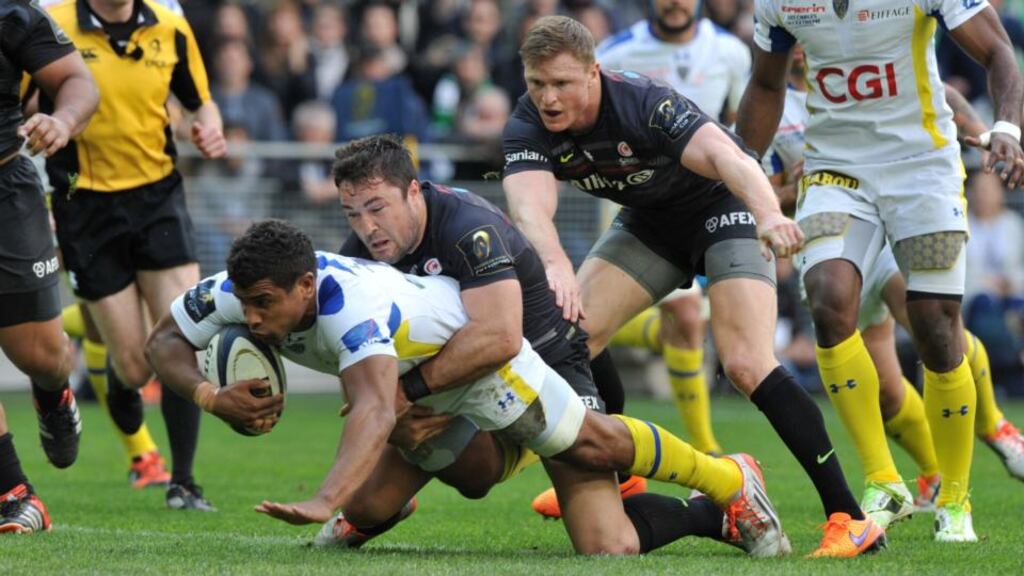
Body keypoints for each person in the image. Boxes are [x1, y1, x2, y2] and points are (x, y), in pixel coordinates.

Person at [145, 220, 790, 557]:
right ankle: (463, 470)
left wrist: (322, 498)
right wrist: (210, 397)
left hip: (477, 359)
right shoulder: (237, 291)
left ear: (306, 288)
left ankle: (730, 479)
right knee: (434, 491)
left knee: (592, 452)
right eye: (244, 305)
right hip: (417, 380)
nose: (251, 320)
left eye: (264, 305)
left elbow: (371, 407)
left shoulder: (352, 308)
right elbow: (162, 346)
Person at [501, 15, 883, 558]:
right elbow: (528, 204)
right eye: (537, 84)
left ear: (593, 73)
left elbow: (731, 159)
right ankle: (619, 473)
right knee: (569, 331)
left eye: (561, 83)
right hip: (651, 225)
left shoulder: (644, 102)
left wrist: (770, 215)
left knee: (747, 363)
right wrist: (556, 263)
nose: (548, 98)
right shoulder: (527, 122)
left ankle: (850, 517)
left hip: (719, 208)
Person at [738, 0, 1024, 544]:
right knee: (828, 299)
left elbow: (998, 51)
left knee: (938, 328)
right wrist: (741, 163)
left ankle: (956, 498)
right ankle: (883, 479)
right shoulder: (778, 4)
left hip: (923, 169)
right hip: (836, 170)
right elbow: (766, 85)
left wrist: (1006, 126)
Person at [335, 134, 645, 526]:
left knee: (607, 542)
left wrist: (402, 394)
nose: (367, 227)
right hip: (461, 378)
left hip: (549, 366)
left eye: (377, 208)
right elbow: (351, 357)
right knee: (364, 510)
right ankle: (528, 446)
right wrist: (386, 416)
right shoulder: (357, 257)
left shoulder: (468, 226)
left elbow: (501, 338)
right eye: (353, 214)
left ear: (413, 191)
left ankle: (715, 496)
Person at [43, 0, 227, 510]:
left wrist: (208, 126)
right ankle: (117, 384)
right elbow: (20, 103)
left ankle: (184, 483)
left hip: (157, 199)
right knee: (134, 365)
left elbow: (200, 101)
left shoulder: (170, 25)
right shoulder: (51, 23)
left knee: (180, 335)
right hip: (85, 206)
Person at [593, 0, 754, 464]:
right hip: (637, 209)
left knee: (687, 323)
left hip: (705, 206)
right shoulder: (617, 51)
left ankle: (705, 447)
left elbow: (744, 124)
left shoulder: (729, 52)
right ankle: (708, 448)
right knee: (683, 319)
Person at [0, 0, 98, 533]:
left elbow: (78, 81)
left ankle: (53, 390)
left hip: (6, 190)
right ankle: (14, 494)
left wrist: (61, 120)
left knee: (40, 354)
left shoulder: (12, 13)